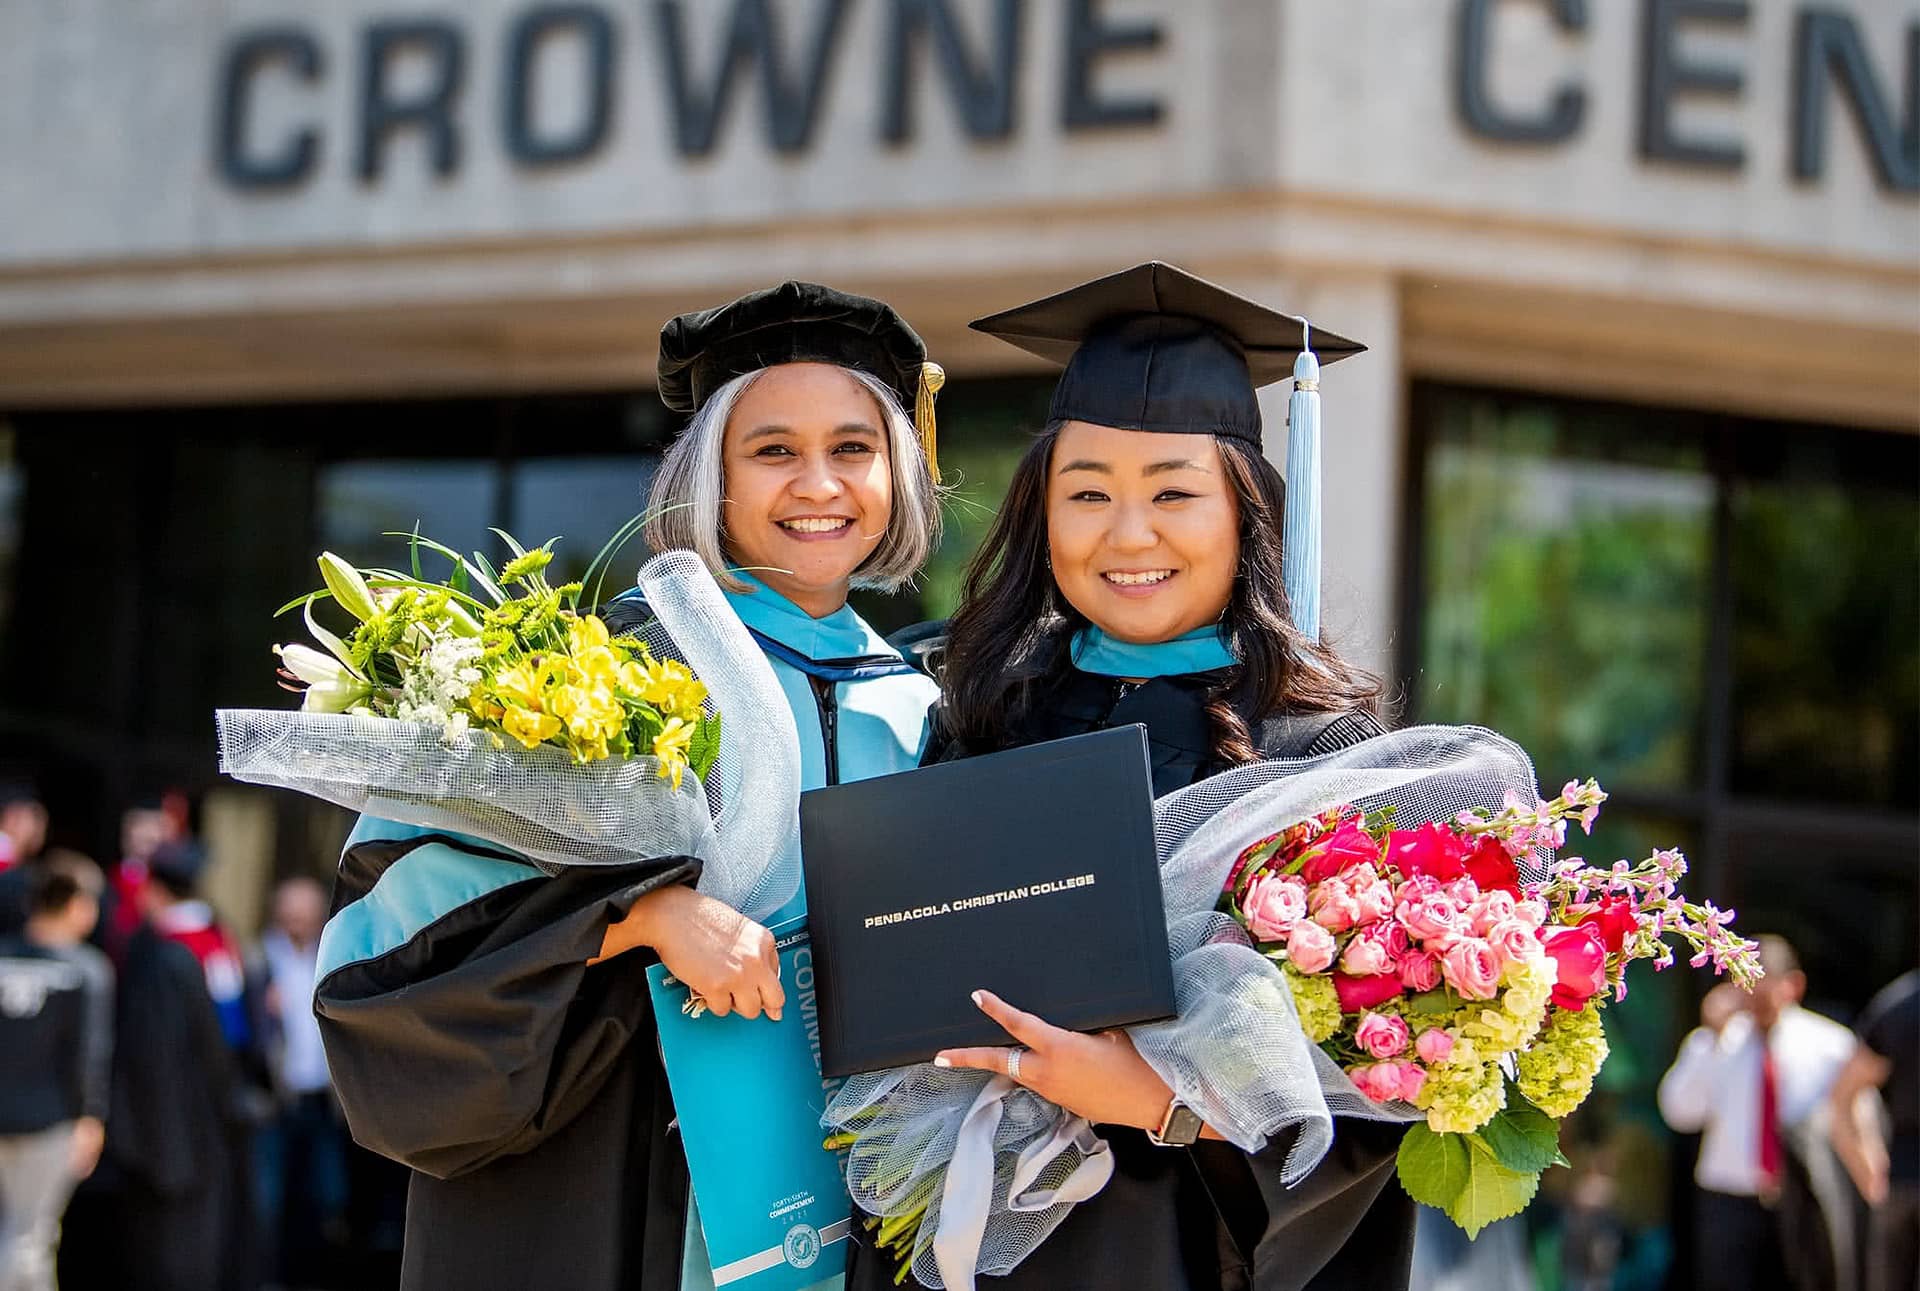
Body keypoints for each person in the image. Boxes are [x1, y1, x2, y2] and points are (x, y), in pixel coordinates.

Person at [312, 281, 944, 1291]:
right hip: (619, 1191)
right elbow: (398, 947)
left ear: (898, 472)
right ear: (712, 477)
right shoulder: (601, 681)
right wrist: (643, 913)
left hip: (867, 1203)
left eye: (853, 448)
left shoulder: (932, 706)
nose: (818, 483)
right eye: (773, 449)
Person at [898, 262, 1411, 1290]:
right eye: (1087, 493)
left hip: (1187, 1247)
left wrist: (1162, 1098)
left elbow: (1381, 1087)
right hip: (976, 1238)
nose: (1128, 535)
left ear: (1246, 511)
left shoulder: (1318, 746)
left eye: (1173, 492)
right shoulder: (984, 712)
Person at [1657, 935, 1856, 1291]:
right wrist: (1710, 1039)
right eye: (1748, 989)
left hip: (1802, 1199)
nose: (1756, 1002)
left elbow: (1855, 1120)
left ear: (1792, 986)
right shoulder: (1717, 1041)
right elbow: (1679, 1113)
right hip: (1728, 1203)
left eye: (1765, 991)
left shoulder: (1830, 1046)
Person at [0, 853, 112, 1291]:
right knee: (30, 1236)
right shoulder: (86, 970)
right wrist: (90, 1117)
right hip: (50, 1122)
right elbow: (90, 1053)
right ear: (78, 904)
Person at [257, 876, 348, 1285]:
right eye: (290, 913)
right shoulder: (256, 960)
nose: (297, 921)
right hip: (276, 1099)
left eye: (305, 913)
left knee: (326, 1196)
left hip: (323, 1098)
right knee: (269, 1199)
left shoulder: (332, 959)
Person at [1830, 968, 1918, 1291]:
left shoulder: (1899, 1004)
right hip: (1899, 1183)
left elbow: (1843, 1099)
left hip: (1899, 1184)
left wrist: (1868, 1172)